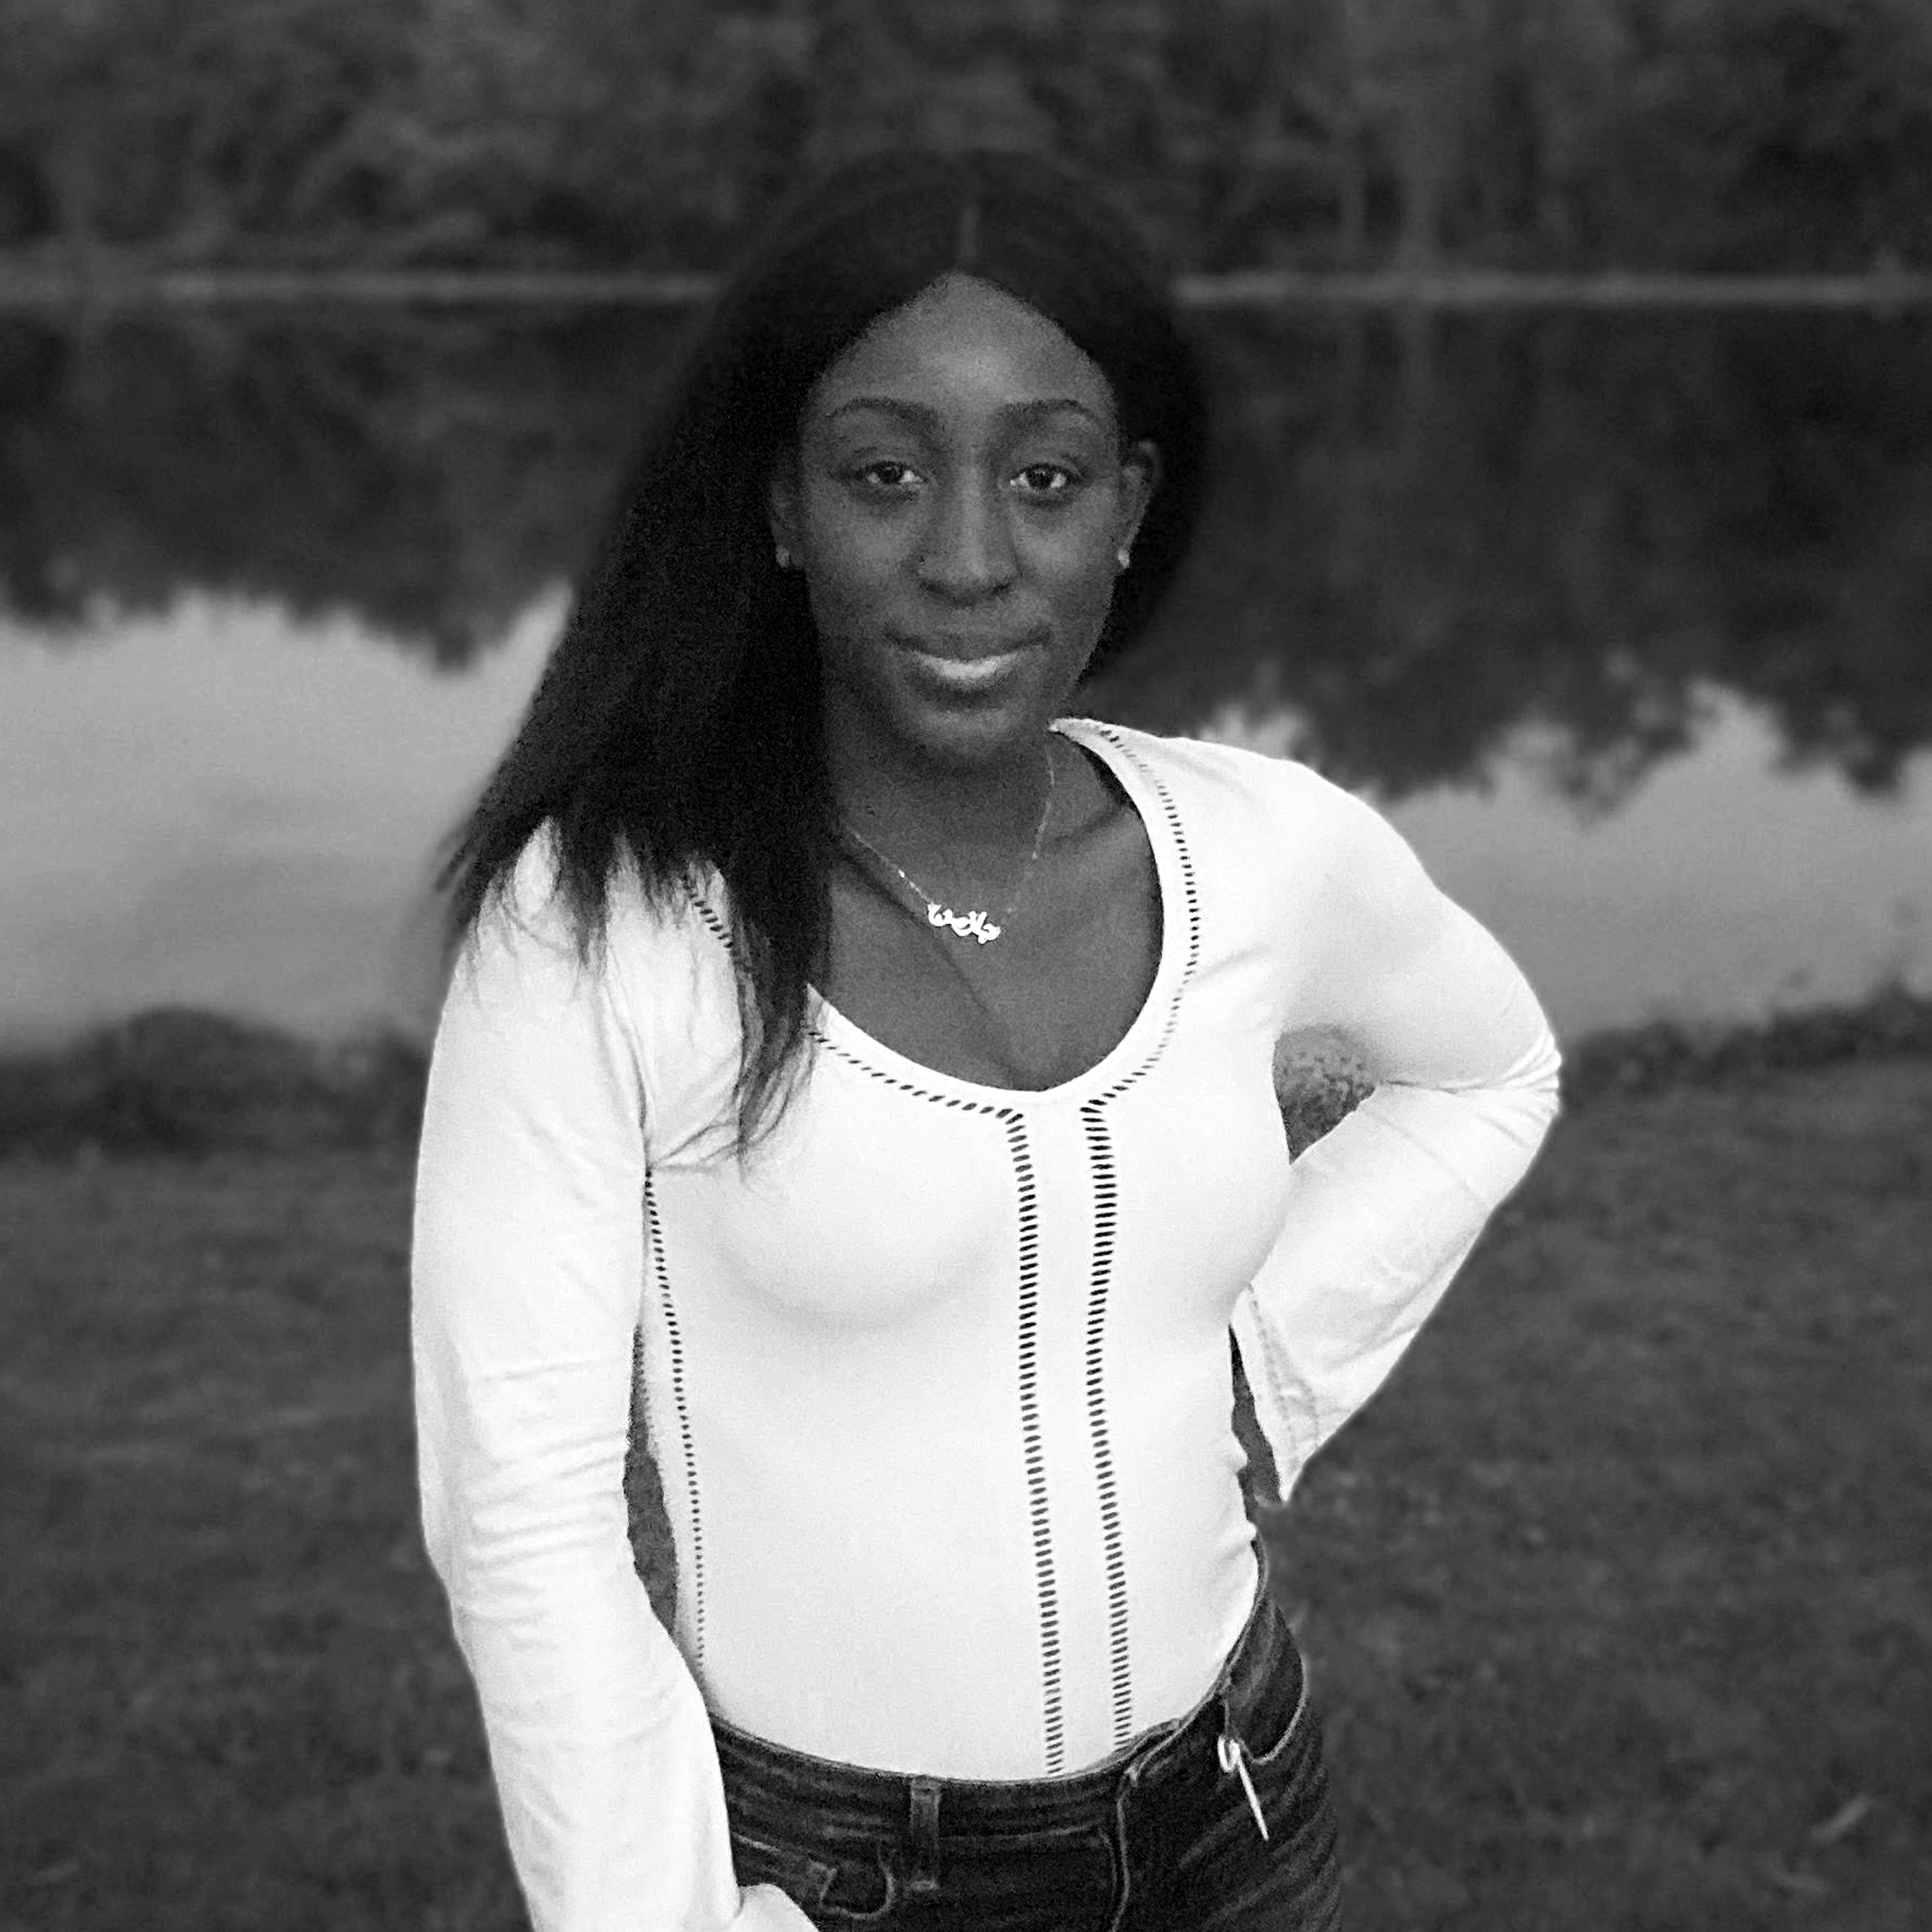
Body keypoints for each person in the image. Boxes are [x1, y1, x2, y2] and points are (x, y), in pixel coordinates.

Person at [411, 147, 1561, 1932]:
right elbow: (524, 1524)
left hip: (1244, 1820)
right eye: (884, 473)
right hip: (842, 1877)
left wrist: (1279, 1358)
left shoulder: (1268, 848)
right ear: (784, 505)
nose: (967, 558)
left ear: (1129, 503)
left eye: (1042, 476)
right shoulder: (607, 924)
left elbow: (1486, 1070)